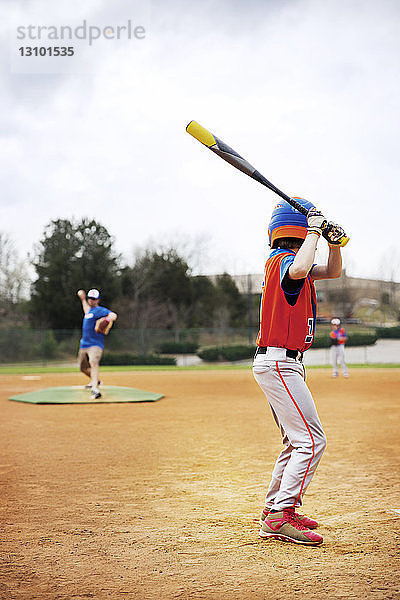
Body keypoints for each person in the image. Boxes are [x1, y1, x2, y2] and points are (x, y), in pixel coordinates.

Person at [253, 198, 346, 546]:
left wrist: (332, 242)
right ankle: (281, 515)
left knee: (296, 441)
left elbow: (332, 271)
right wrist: (314, 232)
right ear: (298, 229)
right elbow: (298, 269)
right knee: (311, 440)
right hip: (279, 362)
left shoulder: (296, 261)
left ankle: (273, 509)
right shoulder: (283, 261)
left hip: (284, 363)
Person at [77, 288, 117, 400]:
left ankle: (95, 389)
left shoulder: (100, 310)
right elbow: (86, 308)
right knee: (83, 368)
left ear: (97, 300)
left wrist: (108, 319)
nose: (91, 300)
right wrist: (83, 299)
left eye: (94, 299)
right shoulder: (89, 312)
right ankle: (97, 381)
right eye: (90, 298)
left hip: (95, 345)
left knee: (93, 363)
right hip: (83, 345)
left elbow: (113, 315)